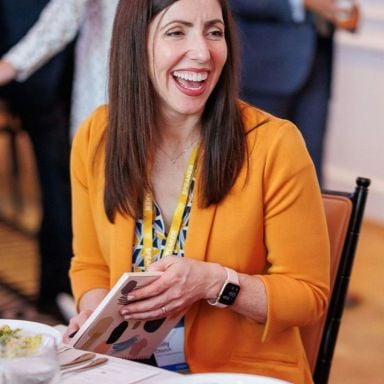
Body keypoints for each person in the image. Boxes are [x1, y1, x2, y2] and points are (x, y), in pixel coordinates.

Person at [66, 1, 330, 383]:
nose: (203, 52)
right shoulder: (98, 136)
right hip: (127, 369)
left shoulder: (274, 145)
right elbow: (88, 263)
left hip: (241, 373)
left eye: (214, 32)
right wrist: (96, 311)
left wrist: (215, 282)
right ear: (135, 43)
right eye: (177, 32)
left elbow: (308, 296)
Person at [228, 1, 359, 184]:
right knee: (257, 163)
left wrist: (345, 11)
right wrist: (302, 3)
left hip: (318, 62)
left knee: (310, 163)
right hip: (266, 68)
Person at [0, 0, 74, 318]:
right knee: (60, 180)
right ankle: (58, 289)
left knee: (64, 180)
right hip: (33, 64)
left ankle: (59, 289)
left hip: (63, 65)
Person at [0, 0, 119, 137]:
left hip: (104, 65)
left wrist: (13, 64)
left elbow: (65, 13)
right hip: (127, 55)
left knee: (99, 145)